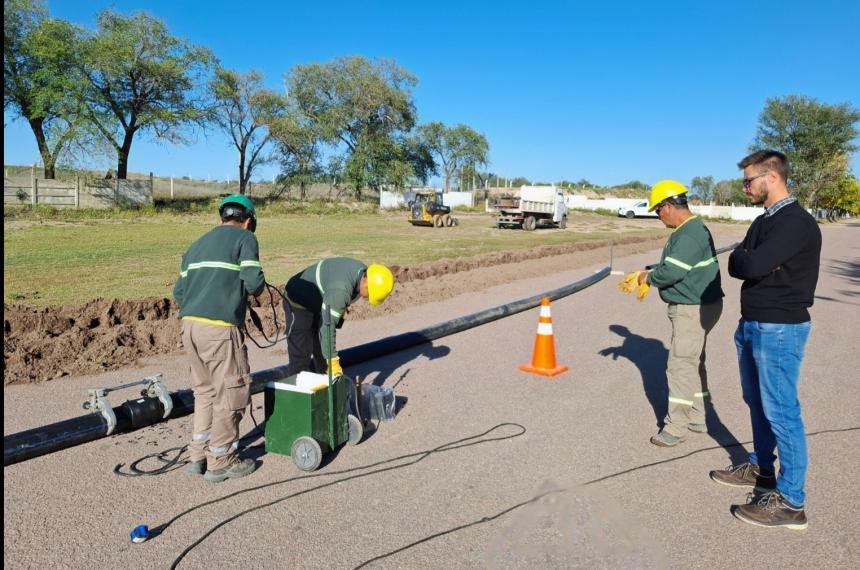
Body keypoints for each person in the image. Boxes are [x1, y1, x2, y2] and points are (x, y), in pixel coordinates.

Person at [710, 150, 821, 530]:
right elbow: (737, 261)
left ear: (771, 177)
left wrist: (746, 259)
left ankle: (792, 502)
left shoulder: (795, 223)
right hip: (753, 324)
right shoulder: (764, 222)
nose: (745, 187)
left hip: (779, 328)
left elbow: (748, 264)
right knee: (757, 402)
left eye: (749, 180)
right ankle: (762, 470)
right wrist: (745, 258)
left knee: (782, 410)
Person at [620, 180, 724, 447]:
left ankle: (675, 427)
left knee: (679, 366)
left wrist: (646, 277)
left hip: (693, 308)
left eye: (657, 210)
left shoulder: (688, 233)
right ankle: (698, 417)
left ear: (668, 206)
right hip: (701, 305)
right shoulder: (690, 229)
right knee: (692, 362)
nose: (658, 216)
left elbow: (672, 272)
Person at [173, 194, 264, 483]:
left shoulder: (195, 245)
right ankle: (222, 460)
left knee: (204, 392)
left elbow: (179, 293)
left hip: (189, 327)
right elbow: (254, 282)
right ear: (248, 220)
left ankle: (197, 455)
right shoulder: (245, 239)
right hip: (219, 330)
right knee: (231, 392)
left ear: (222, 217)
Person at [283, 258, 394, 377]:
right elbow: (328, 327)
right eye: (370, 294)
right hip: (298, 299)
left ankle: (327, 386)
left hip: (319, 302)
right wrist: (333, 362)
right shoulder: (342, 289)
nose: (368, 298)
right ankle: (298, 389)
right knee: (301, 356)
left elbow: (329, 321)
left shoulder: (362, 274)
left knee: (322, 352)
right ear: (366, 282)